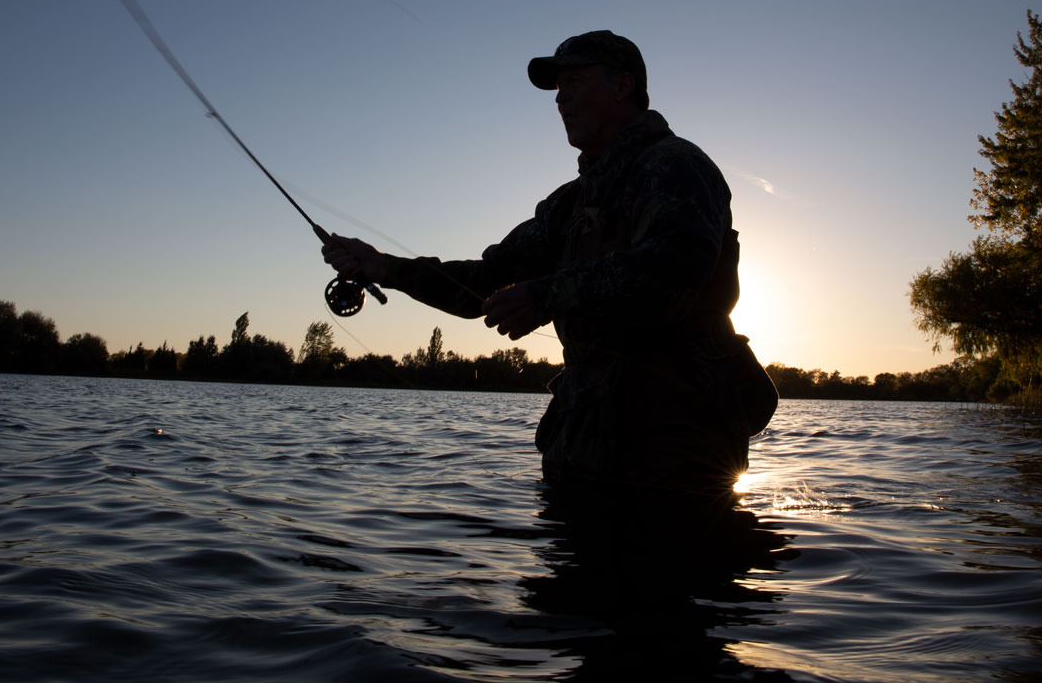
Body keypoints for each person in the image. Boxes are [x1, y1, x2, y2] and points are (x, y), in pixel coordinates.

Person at [322, 30, 776, 499]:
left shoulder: (677, 165)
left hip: (674, 450)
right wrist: (384, 269)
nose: (561, 99)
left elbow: (676, 266)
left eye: (574, 81)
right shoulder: (567, 206)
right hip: (584, 449)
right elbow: (483, 283)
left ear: (622, 86)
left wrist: (547, 294)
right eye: (558, 88)